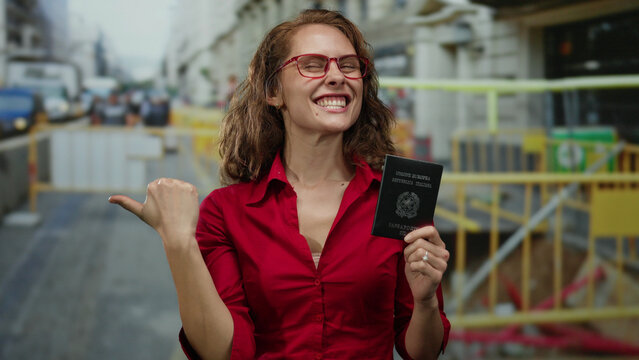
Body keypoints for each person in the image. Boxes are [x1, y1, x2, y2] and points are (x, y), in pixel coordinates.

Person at [109, 9, 450, 360]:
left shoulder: (397, 200)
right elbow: (222, 351)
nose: (337, 76)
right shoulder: (226, 212)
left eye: (349, 65)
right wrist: (179, 242)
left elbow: (421, 353)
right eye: (314, 65)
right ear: (274, 91)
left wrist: (425, 301)